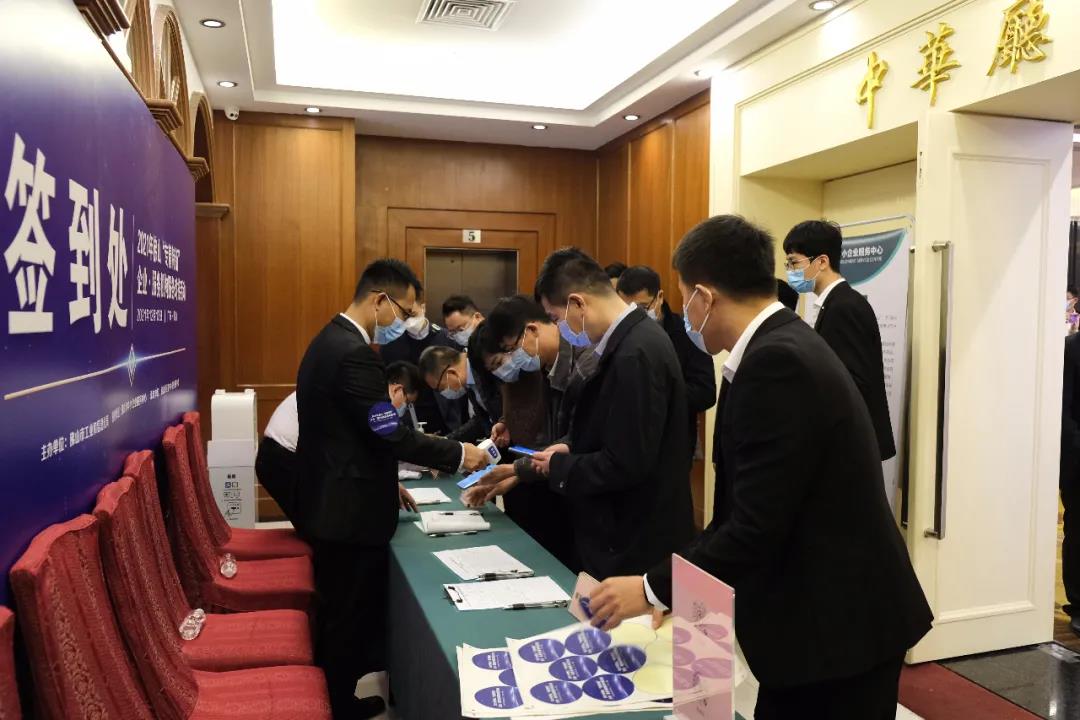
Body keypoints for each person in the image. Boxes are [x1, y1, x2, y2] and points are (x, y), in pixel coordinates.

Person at [588, 215, 932, 720]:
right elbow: (747, 510)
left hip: (838, 627)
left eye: (684, 298)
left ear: (704, 296)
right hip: (824, 620)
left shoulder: (777, 363)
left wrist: (649, 589)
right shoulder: (776, 344)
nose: (686, 313)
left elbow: (754, 526)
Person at [294, 259, 488, 718]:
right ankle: (335, 706)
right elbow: (388, 433)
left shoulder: (327, 341)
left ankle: (338, 698)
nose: (405, 322)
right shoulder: (354, 354)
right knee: (345, 618)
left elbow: (358, 434)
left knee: (342, 614)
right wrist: (457, 454)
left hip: (334, 498)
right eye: (404, 311)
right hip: (346, 512)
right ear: (380, 300)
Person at [471, 249, 694, 581]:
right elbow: (610, 430)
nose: (560, 328)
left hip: (633, 538)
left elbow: (626, 462)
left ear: (577, 303)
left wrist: (559, 465)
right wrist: (569, 446)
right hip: (618, 531)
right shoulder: (627, 343)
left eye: (556, 317)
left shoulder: (634, 352)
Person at [466, 295, 600, 570]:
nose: (505, 367)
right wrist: (507, 426)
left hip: (572, 490)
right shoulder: (544, 365)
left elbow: (575, 439)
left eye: (506, 353)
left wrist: (517, 471)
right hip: (549, 474)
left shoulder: (584, 363)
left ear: (531, 330)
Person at [784, 220, 897, 464]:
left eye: (794, 263)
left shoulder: (844, 306)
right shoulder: (834, 303)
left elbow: (853, 383)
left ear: (822, 262)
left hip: (851, 445)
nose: (790, 270)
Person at [255, 364, 423, 520]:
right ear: (397, 390)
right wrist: (388, 483)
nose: (404, 409)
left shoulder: (366, 393)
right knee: (324, 526)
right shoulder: (367, 399)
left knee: (329, 522)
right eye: (407, 403)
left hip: (286, 455)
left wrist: (390, 482)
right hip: (282, 458)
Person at [616, 266, 716, 462]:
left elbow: (705, 393)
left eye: (641, 308)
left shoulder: (688, 333)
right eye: (625, 310)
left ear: (659, 298)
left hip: (673, 447)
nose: (632, 317)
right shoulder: (618, 333)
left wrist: (656, 392)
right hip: (628, 445)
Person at [379, 285, 456, 435]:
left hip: (445, 418)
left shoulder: (447, 339)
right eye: (404, 317)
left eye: (412, 314)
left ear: (423, 307)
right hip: (407, 419)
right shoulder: (390, 345)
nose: (409, 321)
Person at [418, 342, 496, 443]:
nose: (442, 393)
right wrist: (445, 441)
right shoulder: (468, 382)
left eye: (440, 388)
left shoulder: (486, 364)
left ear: (451, 373)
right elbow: (481, 420)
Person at [1062, 333, 1080, 635]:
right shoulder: (1071, 348)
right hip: (1078, 462)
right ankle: (1078, 604)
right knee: (1077, 531)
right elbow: (1063, 410)